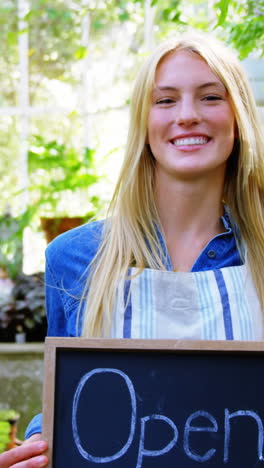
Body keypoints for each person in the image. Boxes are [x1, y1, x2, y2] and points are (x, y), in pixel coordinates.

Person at [1, 30, 264, 467]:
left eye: (210, 97)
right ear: (143, 124)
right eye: (165, 101)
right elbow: (69, 401)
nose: (187, 115)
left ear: (238, 118)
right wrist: (36, 448)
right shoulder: (75, 259)